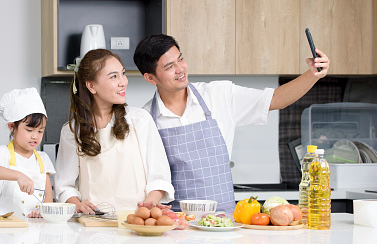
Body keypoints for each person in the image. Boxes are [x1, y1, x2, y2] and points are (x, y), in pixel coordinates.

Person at [133, 34, 330, 213]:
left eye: (181, 59)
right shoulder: (144, 119)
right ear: (150, 78)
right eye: (169, 66)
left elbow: (275, 99)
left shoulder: (219, 95)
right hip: (175, 221)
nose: (180, 69)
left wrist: (313, 74)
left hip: (223, 220)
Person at [54, 49, 175, 214]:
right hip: (93, 226)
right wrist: (77, 204)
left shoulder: (139, 120)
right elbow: (64, 185)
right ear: (91, 86)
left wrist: (149, 204)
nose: (123, 82)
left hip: (135, 222)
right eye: (113, 76)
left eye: (123, 73)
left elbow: (159, 177)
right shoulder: (72, 131)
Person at [0, 87, 56, 218]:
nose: (35, 136)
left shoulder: (43, 159)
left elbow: (48, 199)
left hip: (33, 230)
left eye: (40, 131)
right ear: (12, 127)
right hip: (4, 229)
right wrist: (18, 176)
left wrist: (43, 212)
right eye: (29, 130)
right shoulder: (3, 153)